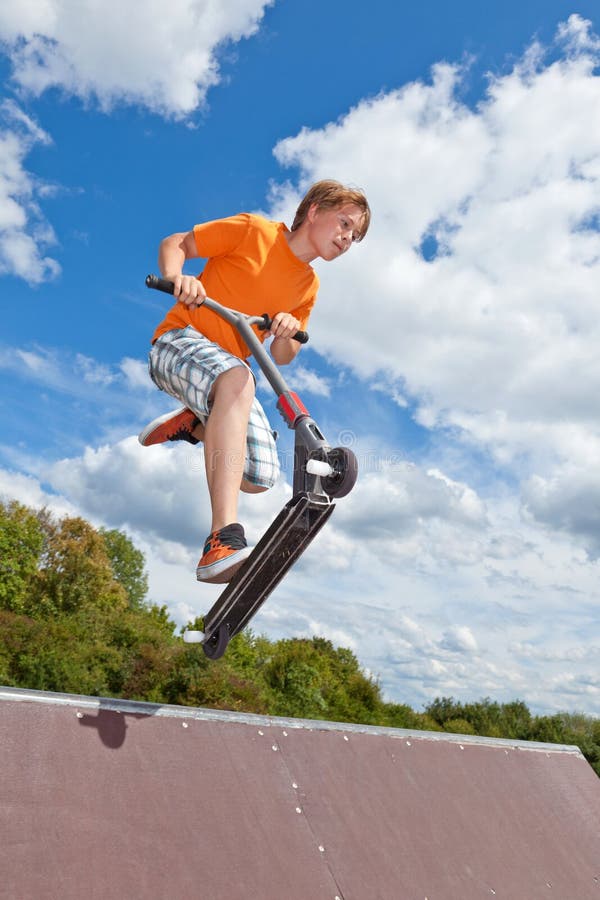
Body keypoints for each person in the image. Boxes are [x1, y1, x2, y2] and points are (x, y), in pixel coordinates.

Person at [139, 180, 370, 584]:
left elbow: (282, 356)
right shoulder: (254, 231)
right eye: (345, 223)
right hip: (179, 342)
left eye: (355, 235)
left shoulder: (308, 286)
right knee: (238, 376)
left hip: (227, 374)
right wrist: (179, 278)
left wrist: (286, 330)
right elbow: (175, 242)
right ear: (314, 211)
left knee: (259, 478)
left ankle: (196, 423)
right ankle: (222, 541)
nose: (348, 238)